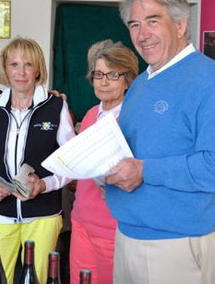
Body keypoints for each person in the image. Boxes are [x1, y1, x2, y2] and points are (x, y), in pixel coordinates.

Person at [105, 0, 215, 284]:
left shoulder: (209, 80)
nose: (142, 34)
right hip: (128, 234)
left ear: (181, 24)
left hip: (174, 247)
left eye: (153, 21)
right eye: (134, 24)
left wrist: (145, 171)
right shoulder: (143, 82)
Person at [0, 37, 75, 283]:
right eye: (14, 64)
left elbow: (71, 160)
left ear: (38, 69)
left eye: (28, 64)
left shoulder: (55, 106)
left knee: (38, 279)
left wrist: (44, 185)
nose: (20, 72)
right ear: (5, 69)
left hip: (43, 215)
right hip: (0, 214)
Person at [70, 40, 138, 284]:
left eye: (112, 74)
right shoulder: (90, 114)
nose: (104, 81)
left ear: (127, 79)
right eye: (98, 74)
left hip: (113, 227)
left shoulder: (135, 119)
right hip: (81, 222)